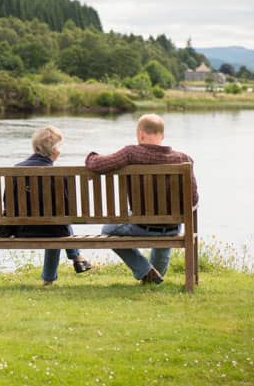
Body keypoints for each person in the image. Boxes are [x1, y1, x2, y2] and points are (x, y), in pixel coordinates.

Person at [85, 114, 199, 285]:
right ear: (162, 135)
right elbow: (193, 200)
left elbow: (98, 165)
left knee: (108, 229)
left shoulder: (132, 153)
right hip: (171, 228)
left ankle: (145, 270)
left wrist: (91, 156)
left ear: (140, 134)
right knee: (166, 224)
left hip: (140, 225)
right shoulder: (184, 159)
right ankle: (153, 277)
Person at [0, 125, 92, 285]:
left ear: (34, 147)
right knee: (58, 223)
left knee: (56, 223)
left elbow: (8, 203)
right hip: (53, 230)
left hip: (22, 230)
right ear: (54, 151)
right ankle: (71, 261)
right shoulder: (60, 176)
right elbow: (68, 211)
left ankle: (63, 268)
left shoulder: (15, 170)